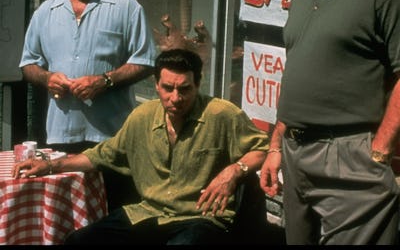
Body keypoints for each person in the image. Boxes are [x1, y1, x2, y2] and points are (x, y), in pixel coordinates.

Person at [13, 48, 269, 245]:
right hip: (148, 213)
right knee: (79, 241)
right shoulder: (143, 116)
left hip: (200, 217)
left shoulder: (221, 114)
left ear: (198, 84)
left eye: (185, 89)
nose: (176, 98)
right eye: (168, 88)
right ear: (156, 85)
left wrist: (233, 171)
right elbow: (101, 156)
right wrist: (49, 165)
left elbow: (263, 148)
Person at [259, 0, 400, 245]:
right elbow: (300, 69)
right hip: (295, 153)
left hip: (349, 156)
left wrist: (380, 150)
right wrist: (276, 145)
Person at [19, 0, 156, 210]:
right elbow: (28, 64)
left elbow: (146, 61)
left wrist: (105, 80)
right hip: (62, 138)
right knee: (69, 218)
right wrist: (47, 78)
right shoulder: (47, 12)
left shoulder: (125, 7)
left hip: (113, 138)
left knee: (117, 216)